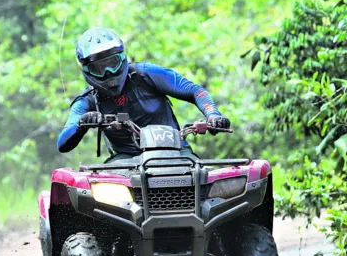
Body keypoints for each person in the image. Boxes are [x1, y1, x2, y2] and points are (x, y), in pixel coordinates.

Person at [57, 27, 230, 162]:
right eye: (100, 68)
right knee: (97, 198)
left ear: (122, 58)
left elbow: (195, 91)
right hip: (124, 161)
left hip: (176, 151)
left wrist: (213, 115)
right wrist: (82, 123)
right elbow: (62, 143)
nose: (108, 73)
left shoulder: (148, 74)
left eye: (112, 63)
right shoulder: (87, 101)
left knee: (204, 183)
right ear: (87, 70)